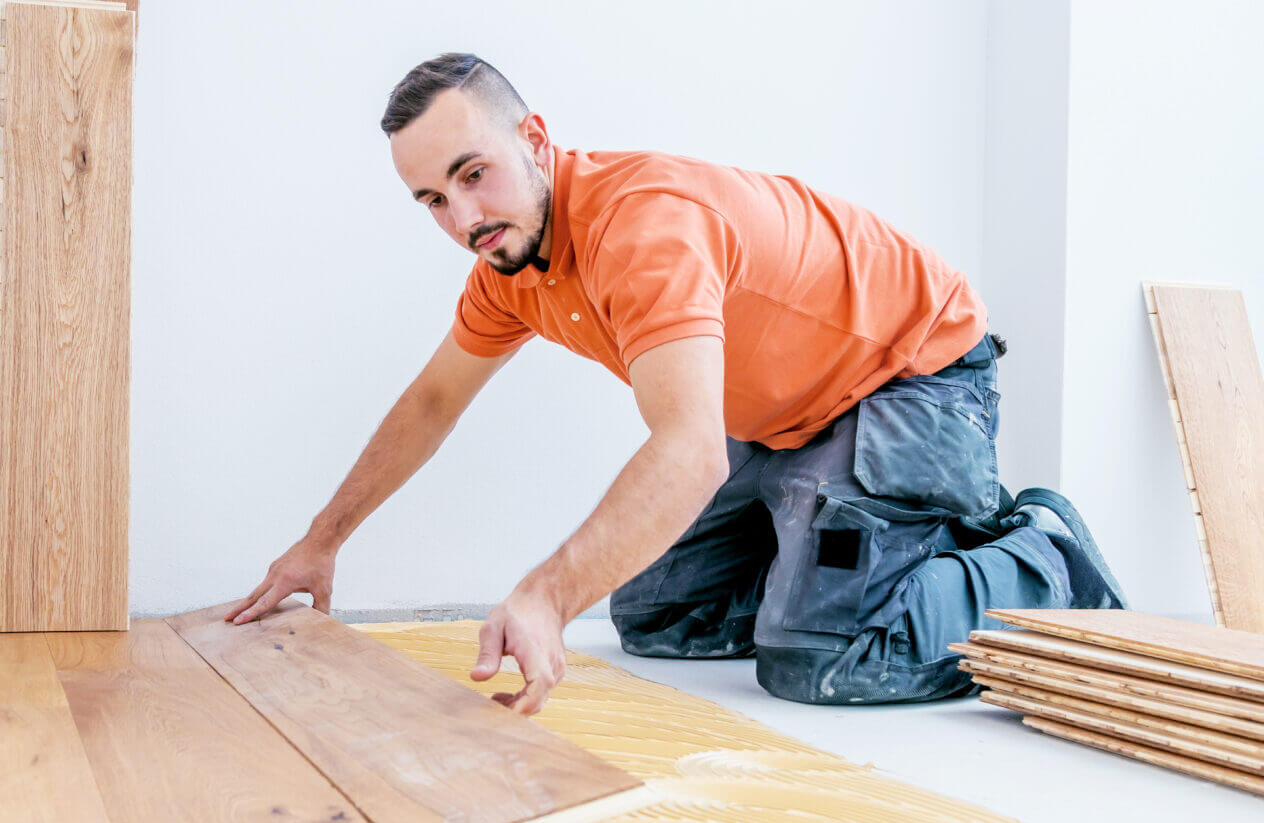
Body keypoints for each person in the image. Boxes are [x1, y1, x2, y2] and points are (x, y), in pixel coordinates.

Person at [228, 53, 1125, 714]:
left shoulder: (643, 229)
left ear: (533, 140)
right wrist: (320, 543)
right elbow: (432, 403)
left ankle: (1041, 562)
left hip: (911, 382)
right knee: (658, 614)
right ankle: (840, 556)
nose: (463, 217)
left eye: (473, 174)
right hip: (786, 423)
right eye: (432, 200)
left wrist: (544, 595)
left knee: (822, 660)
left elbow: (691, 452)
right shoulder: (508, 266)